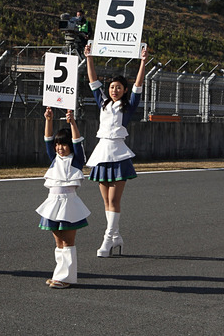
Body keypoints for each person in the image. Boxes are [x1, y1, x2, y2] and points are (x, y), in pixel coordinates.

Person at [83, 42, 148, 257]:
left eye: (119, 87)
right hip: (102, 153)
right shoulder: (102, 102)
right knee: (105, 200)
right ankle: (116, 236)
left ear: (125, 90)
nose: (114, 90)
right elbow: (93, 81)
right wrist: (90, 57)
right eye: (111, 87)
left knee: (114, 200)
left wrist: (142, 62)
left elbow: (139, 86)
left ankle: (107, 238)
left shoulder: (128, 107)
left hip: (119, 154)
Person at [37, 107, 90, 289]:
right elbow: (47, 139)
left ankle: (66, 278)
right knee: (58, 241)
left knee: (68, 241)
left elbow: (77, 142)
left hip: (69, 204)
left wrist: (72, 122)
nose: (60, 148)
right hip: (52, 203)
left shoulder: (76, 160)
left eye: (64, 144)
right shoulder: (54, 158)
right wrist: (49, 120)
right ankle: (59, 274)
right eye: (58, 145)